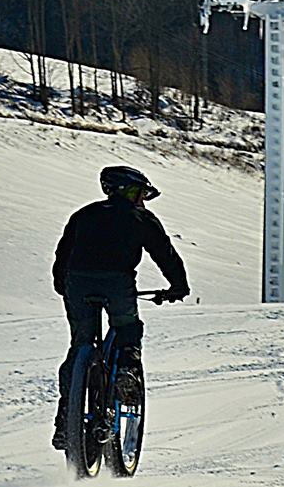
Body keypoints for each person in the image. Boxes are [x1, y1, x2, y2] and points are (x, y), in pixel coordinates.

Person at [52, 164, 190, 450]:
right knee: (128, 329)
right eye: (140, 193)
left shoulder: (83, 215)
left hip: (77, 286)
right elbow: (165, 254)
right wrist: (179, 286)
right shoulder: (141, 218)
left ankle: (66, 420)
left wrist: (62, 285)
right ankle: (126, 375)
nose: (142, 200)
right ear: (129, 191)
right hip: (117, 286)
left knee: (80, 344)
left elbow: (63, 253)